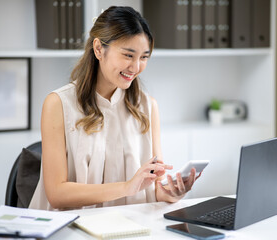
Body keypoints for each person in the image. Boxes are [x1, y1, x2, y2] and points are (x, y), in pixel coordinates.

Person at [29, 6, 198, 211]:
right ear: (99, 49)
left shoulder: (147, 106)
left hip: (128, 223)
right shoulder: (58, 104)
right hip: (70, 225)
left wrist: (172, 193)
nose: (136, 68)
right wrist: (127, 187)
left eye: (144, 57)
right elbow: (56, 195)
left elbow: (152, 188)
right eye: (128, 55)